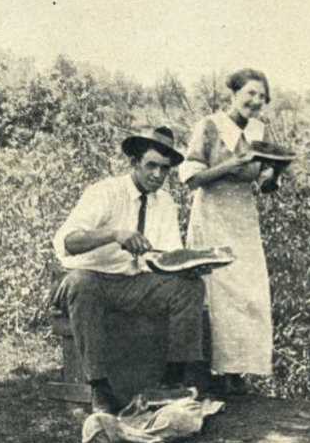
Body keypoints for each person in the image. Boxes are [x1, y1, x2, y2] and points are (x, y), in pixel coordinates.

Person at [53, 126, 206, 414]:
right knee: (81, 283)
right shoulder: (105, 192)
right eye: (151, 166)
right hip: (94, 279)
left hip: (136, 283)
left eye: (165, 169)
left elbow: (165, 256)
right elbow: (67, 242)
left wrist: (189, 266)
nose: (158, 175)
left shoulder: (166, 203)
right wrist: (114, 234)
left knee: (190, 288)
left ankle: (171, 382)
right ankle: (99, 388)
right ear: (134, 163)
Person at [178, 68, 277, 395]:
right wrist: (229, 166)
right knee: (216, 290)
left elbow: (262, 178)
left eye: (262, 97)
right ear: (233, 93)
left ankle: (237, 372)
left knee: (247, 292)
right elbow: (191, 178)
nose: (256, 101)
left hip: (243, 216)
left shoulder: (261, 130)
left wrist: (272, 177)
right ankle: (209, 374)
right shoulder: (209, 126)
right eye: (250, 93)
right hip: (212, 213)